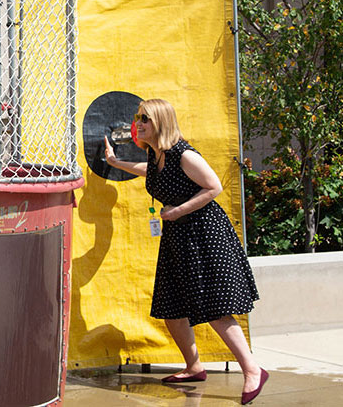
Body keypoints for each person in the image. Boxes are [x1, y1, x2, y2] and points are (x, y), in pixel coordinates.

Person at [103, 99, 268, 405]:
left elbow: (213, 186)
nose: (138, 124)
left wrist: (179, 210)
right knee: (172, 306)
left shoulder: (184, 153)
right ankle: (193, 367)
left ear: (161, 123)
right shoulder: (157, 156)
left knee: (216, 308)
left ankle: (253, 369)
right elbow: (148, 172)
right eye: (138, 118)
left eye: (145, 120)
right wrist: (116, 162)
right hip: (179, 237)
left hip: (206, 234)